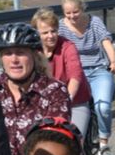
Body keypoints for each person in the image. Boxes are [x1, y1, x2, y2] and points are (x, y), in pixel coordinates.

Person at [0, 24, 71, 155]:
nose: (14, 60)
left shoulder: (54, 91)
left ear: (34, 56)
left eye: (20, 52)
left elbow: (55, 141)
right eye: (8, 53)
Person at [59, 0, 115, 155]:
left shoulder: (95, 22)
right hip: (74, 75)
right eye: (68, 13)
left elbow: (106, 43)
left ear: (82, 8)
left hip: (98, 71)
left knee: (103, 107)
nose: (72, 17)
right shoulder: (61, 27)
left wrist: (113, 62)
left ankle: (103, 144)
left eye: (75, 12)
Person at [33, 8, 92, 136]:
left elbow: (75, 75)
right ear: (37, 34)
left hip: (74, 102)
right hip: (44, 105)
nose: (50, 36)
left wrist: (67, 100)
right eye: (45, 33)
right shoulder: (32, 51)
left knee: (72, 141)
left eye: (53, 31)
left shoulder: (68, 46)